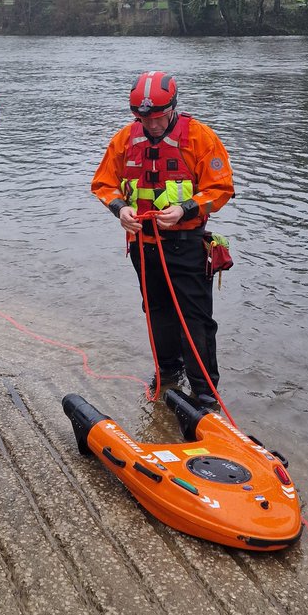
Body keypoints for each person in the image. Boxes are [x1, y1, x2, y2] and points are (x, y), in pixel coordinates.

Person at [91, 70, 234, 407]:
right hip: (144, 246)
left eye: (158, 117)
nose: (152, 125)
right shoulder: (124, 140)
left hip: (186, 245)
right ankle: (168, 372)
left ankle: (204, 393)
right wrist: (120, 209)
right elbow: (103, 184)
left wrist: (185, 209)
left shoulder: (199, 137)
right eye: (144, 118)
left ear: (172, 108)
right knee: (156, 311)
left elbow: (220, 188)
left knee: (194, 319)